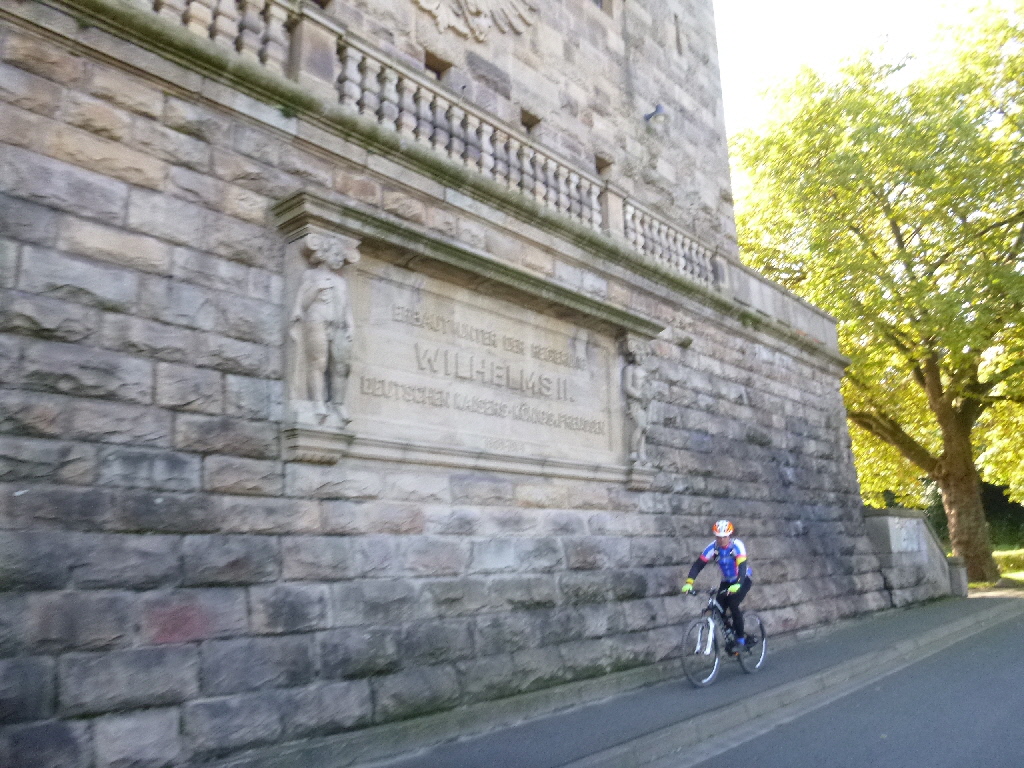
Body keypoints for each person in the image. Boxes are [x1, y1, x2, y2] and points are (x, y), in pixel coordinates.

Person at [681, 519, 754, 653]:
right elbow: (698, 565)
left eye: (724, 536)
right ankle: (730, 635)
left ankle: (741, 640)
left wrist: (738, 584)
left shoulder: (737, 545)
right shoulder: (713, 548)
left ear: (729, 535)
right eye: (718, 537)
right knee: (719, 610)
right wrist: (689, 582)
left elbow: (742, 567)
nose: (721, 540)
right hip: (727, 581)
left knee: (733, 604)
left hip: (743, 579)